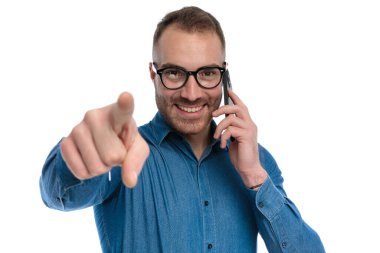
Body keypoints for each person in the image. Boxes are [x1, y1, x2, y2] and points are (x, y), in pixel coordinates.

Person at [40, 6, 325, 253]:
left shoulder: (257, 162)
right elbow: (59, 193)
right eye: (174, 73)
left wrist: (255, 178)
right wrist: (75, 157)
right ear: (154, 74)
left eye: (207, 74)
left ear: (224, 77)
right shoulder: (123, 152)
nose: (191, 93)